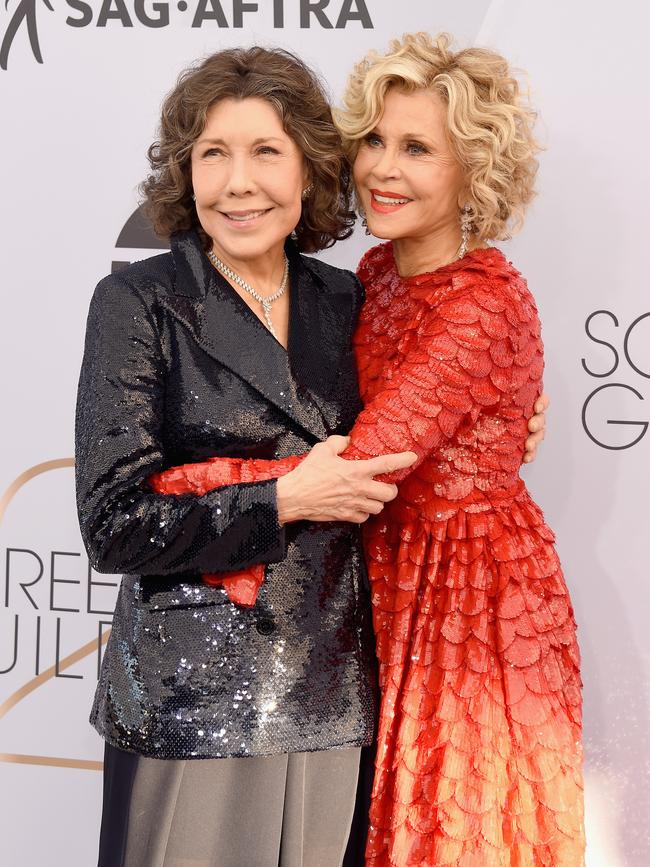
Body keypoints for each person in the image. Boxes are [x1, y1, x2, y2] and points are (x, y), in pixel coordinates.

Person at [76, 44, 547, 867]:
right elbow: (116, 525)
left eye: (266, 152)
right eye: (213, 154)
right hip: (193, 699)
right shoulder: (140, 302)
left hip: (334, 694)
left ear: (307, 169)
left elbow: (412, 433)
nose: (238, 183)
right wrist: (285, 498)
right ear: (186, 172)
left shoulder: (347, 295)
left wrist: (507, 425)